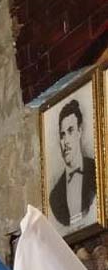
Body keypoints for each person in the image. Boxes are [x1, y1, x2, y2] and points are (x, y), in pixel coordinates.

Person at [48, 98, 97, 231]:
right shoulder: (55, 197)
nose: (66, 141)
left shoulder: (97, 172)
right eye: (62, 135)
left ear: (79, 132)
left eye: (70, 131)